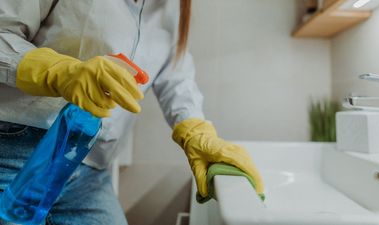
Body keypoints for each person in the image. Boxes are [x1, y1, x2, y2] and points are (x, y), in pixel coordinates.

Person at [0, 0, 264, 224]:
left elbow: (176, 75)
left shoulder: (172, 7)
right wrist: (58, 71)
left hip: (91, 168)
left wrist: (195, 131)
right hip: (18, 147)